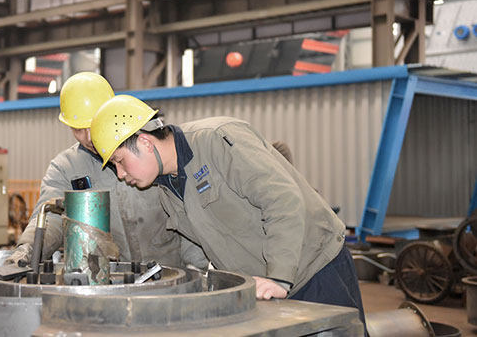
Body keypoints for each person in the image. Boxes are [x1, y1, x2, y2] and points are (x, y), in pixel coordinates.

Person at [90, 94, 366, 332]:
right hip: (266, 289)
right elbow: (204, 245)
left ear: (145, 142)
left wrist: (279, 277)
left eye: (120, 161)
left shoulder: (218, 139)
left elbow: (282, 199)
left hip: (315, 268)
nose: (121, 174)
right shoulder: (167, 189)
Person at [6, 73, 207, 269]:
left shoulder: (149, 155)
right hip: (109, 279)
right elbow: (51, 218)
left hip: (168, 275)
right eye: (78, 129)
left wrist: (200, 270)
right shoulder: (66, 167)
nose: (88, 138)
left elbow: (187, 215)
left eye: (93, 125)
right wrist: (27, 251)